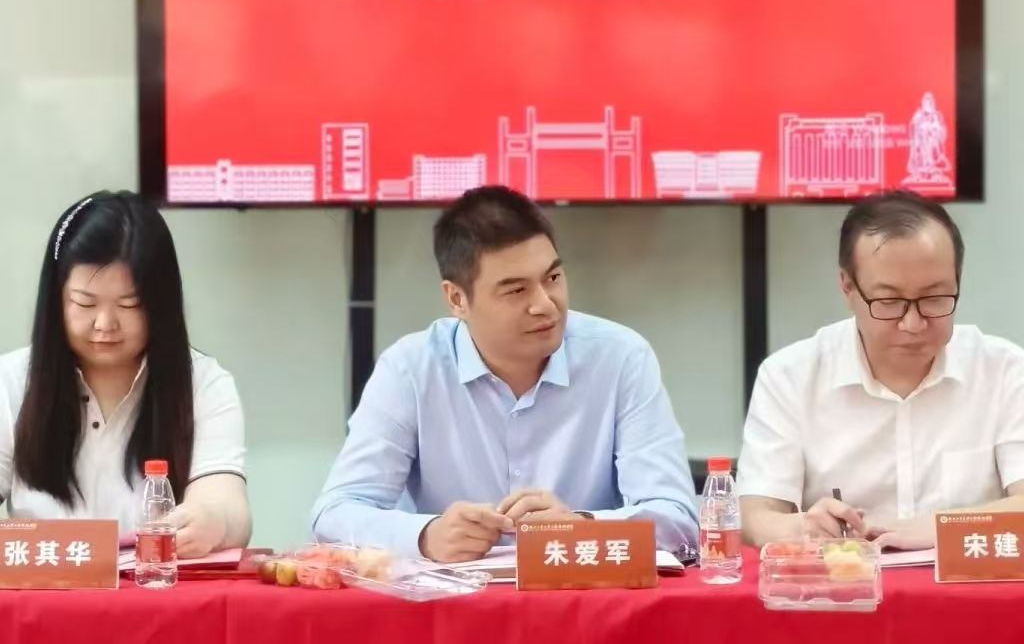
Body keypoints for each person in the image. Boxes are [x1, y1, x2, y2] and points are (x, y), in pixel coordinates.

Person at [312, 186, 697, 561]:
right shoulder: (410, 370)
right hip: (454, 596)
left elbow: (678, 519)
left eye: (553, 278)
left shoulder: (621, 357)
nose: (545, 305)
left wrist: (582, 527)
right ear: (457, 299)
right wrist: (426, 536)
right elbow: (334, 514)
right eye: (516, 291)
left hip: (580, 591)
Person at [738, 190, 1024, 549]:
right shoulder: (790, 377)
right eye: (889, 301)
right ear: (847, 287)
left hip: (965, 582)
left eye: (935, 298)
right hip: (843, 580)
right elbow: (755, 519)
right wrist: (804, 527)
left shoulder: (1005, 371)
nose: (913, 324)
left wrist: (936, 527)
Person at [0, 191, 252, 558]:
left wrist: (212, 521)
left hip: (156, 587)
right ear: (55, 299)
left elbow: (227, 503)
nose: (105, 324)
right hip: (44, 588)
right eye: (85, 303)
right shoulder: (10, 382)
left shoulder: (204, 384)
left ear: (161, 304)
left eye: (129, 305)